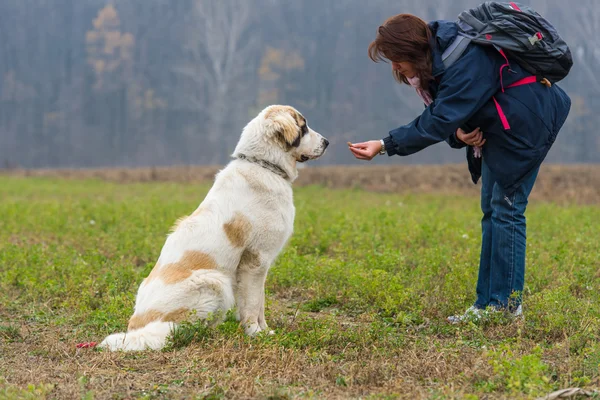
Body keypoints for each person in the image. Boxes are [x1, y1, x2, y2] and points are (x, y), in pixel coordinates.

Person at [348, 14, 571, 322]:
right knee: (493, 211)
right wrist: (459, 134)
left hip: (525, 126)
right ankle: (485, 305)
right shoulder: (442, 61)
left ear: (414, 50)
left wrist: (386, 144)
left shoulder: (466, 60)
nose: (395, 67)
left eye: (397, 59)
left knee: (507, 210)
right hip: (501, 128)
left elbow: (439, 119)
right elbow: (450, 116)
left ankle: (505, 307)